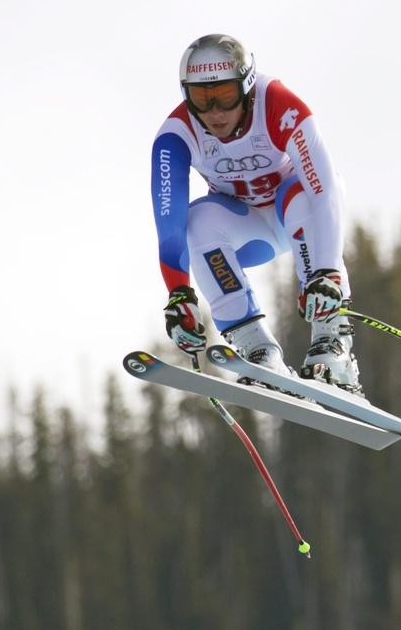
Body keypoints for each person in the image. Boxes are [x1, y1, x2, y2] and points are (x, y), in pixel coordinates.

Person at [151, 33, 362, 393]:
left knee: (299, 194)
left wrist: (327, 273)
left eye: (226, 96)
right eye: (202, 99)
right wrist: (179, 296)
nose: (215, 112)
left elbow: (323, 189)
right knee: (196, 222)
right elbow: (169, 227)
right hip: (247, 232)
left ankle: (333, 344)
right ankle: (258, 350)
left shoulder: (279, 105)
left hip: (300, 222)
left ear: (248, 90)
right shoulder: (175, 135)